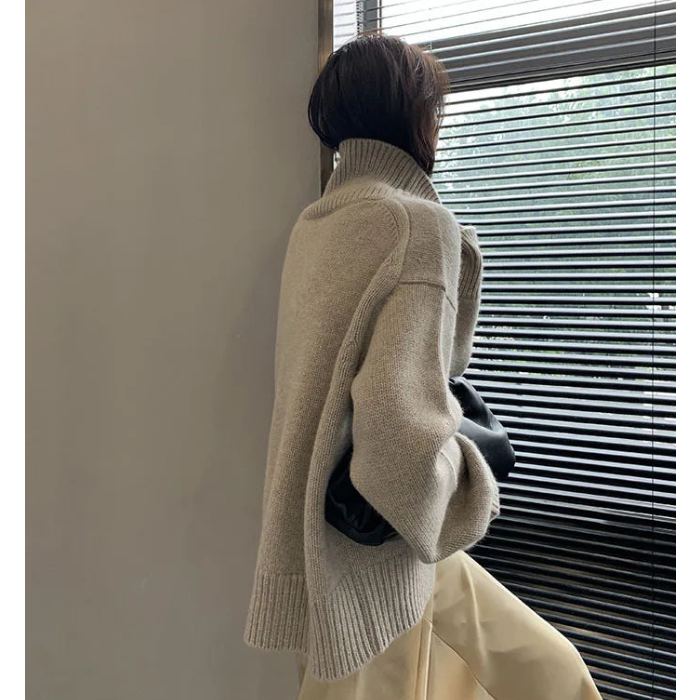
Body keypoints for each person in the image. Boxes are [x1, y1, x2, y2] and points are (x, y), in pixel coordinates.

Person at [245, 33, 603, 700]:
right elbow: (398, 456)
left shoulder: (317, 222)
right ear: (415, 116)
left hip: (324, 548)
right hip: (376, 569)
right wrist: (478, 473)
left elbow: (394, 376)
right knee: (552, 678)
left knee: (552, 672)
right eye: (435, 109)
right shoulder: (414, 227)